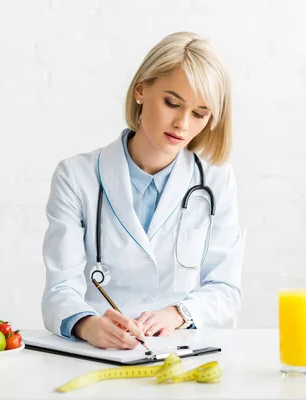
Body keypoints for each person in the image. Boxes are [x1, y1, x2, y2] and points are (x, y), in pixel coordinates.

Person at [41, 31, 244, 350]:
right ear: (140, 90)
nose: (182, 124)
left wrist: (179, 313)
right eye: (172, 103)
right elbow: (58, 292)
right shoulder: (76, 177)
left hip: (182, 354)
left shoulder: (216, 181)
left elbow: (225, 289)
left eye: (199, 114)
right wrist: (88, 325)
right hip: (101, 353)